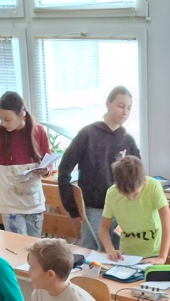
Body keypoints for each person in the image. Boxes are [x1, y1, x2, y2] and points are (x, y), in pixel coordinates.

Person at [57, 86, 140, 251]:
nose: (125, 112)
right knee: (93, 255)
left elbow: (137, 177)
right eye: (121, 106)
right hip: (93, 210)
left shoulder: (128, 140)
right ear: (108, 104)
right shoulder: (87, 134)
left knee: (119, 255)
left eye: (129, 108)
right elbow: (64, 169)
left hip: (121, 211)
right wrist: (73, 209)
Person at [0, 91, 53, 237]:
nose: (4, 124)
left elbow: (49, 161)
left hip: (34, 204)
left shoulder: (39, 132)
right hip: (11, 206)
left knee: (34, 246)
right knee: (17, 246)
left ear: (21, 114)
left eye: (8, 119)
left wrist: (46, 171)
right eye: (1, 119)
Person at [100, 156, 170, 264]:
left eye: (135, 194)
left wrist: (162, 257)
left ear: (144, 181)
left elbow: (167, 222)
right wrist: (110, 249)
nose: (131, 198)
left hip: (153, 253)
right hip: (126, 255)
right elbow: (103, 228)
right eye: (125, 194)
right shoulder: (112, 193)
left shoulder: (153, 186)